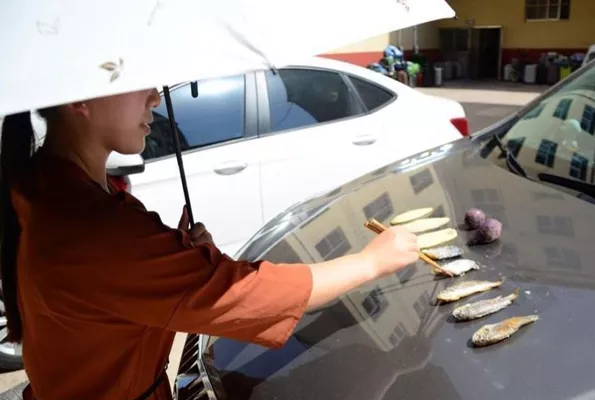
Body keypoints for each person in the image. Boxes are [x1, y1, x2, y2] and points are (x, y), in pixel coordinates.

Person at [0, 88, 420, 400]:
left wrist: (174, 261)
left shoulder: (45, 185)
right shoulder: (94, 228)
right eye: (143, 82)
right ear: (81, 97)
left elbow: (113, 300)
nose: (156, 98)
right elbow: (247, 295)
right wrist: (371, 262)